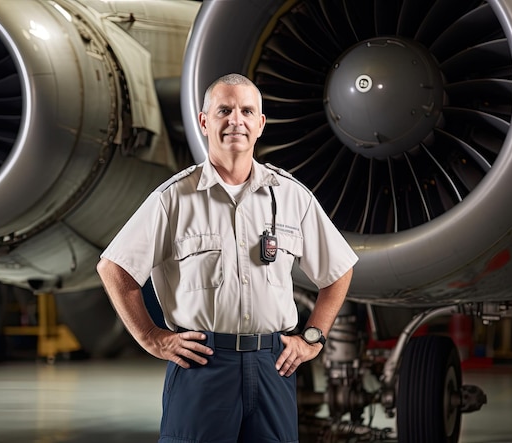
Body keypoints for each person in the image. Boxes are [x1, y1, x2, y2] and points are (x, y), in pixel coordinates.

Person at [96, 73, 359, 443]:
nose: (236, 120)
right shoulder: (173, 199)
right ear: (204, 121)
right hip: (203, 364)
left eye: (247, 111)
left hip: (273, 365)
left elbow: (338, 271)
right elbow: (114, 268)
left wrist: (312, 337)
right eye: (224, 110)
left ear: (260, 123)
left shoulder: (291, 197)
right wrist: (152, 337)